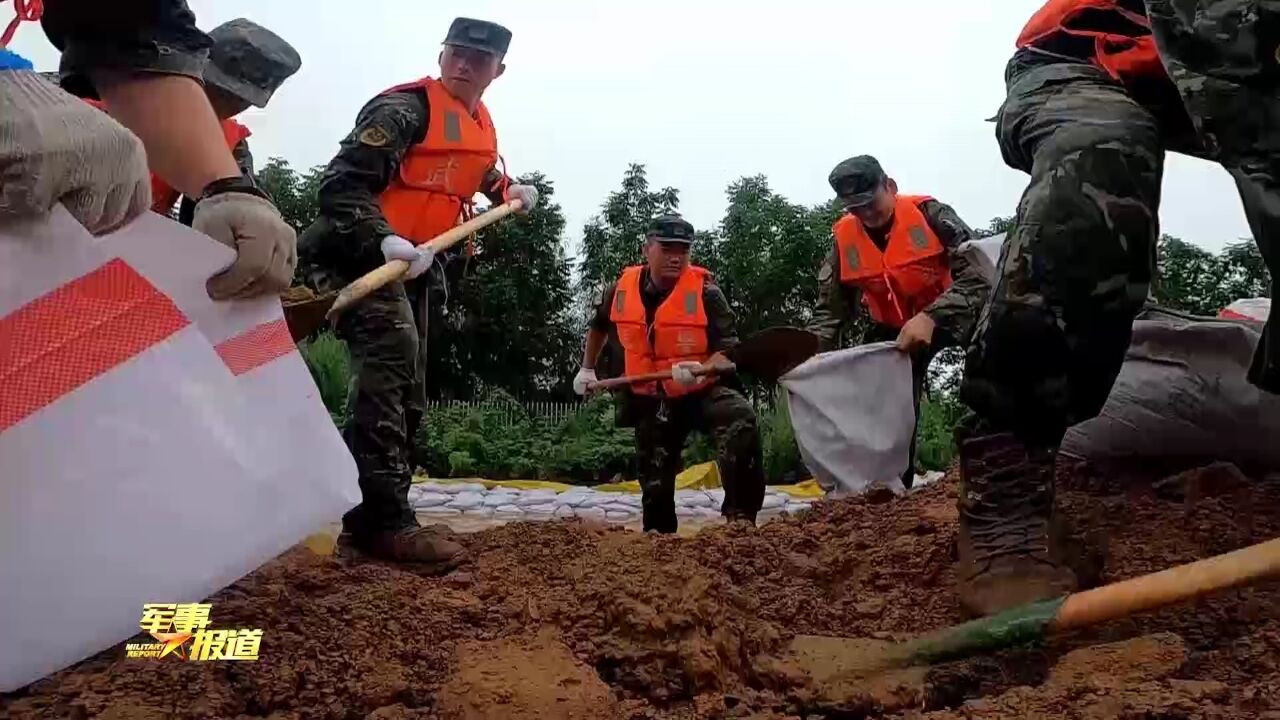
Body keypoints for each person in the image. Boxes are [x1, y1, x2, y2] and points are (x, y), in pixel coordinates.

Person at [955, 0, 1280, 618]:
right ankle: (1010, 461)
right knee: (1102, 149)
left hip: (1242, 69)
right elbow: (1248, 113)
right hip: (1087, 58)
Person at [297, 17, 539, 568]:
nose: (463, 65)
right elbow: (340, 187)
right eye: (456, 53)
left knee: (409, 389)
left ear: (497, 71)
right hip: (353, 256)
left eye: (477, 60)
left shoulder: (477, 122)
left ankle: (366, 526)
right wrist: (382, 238)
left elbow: (462, 175)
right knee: (390, 368)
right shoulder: (404, 110)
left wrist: (505, 187)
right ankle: (385, 523)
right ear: (442, 54)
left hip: (416, 265)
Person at [0, 1, 296, 299]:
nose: (229, 104)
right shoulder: (68, 101)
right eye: (220, 89)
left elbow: (135, 28)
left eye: (240, 99)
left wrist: (232, 193)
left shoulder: (229, 145)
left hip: (113, 264)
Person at [572, 215, 766, 533]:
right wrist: (587, 368)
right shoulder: (619, 289)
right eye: (667, 249)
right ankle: (660, 541)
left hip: (701, 390)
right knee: (655, 479)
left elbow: (729, 351)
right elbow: (598, 327)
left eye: (683, 250)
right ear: (647, 249)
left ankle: (740, 523)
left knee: (739, 417)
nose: (676, 257)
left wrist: (701, 371)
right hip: (651, 396)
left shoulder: (706, 291)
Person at [810, 155, 988, 488]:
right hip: (892, 328)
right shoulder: (844, 239)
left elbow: (981, 273)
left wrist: (932, 316)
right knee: (883, 406)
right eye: (855, 208)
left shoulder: (931, 215)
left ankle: (989, 471)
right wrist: (812, 357)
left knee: (993, 366)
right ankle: (889, 491)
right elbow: (829, 312)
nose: (865, 214)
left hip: (955, 313)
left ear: (890, 187)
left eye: (870, 202)